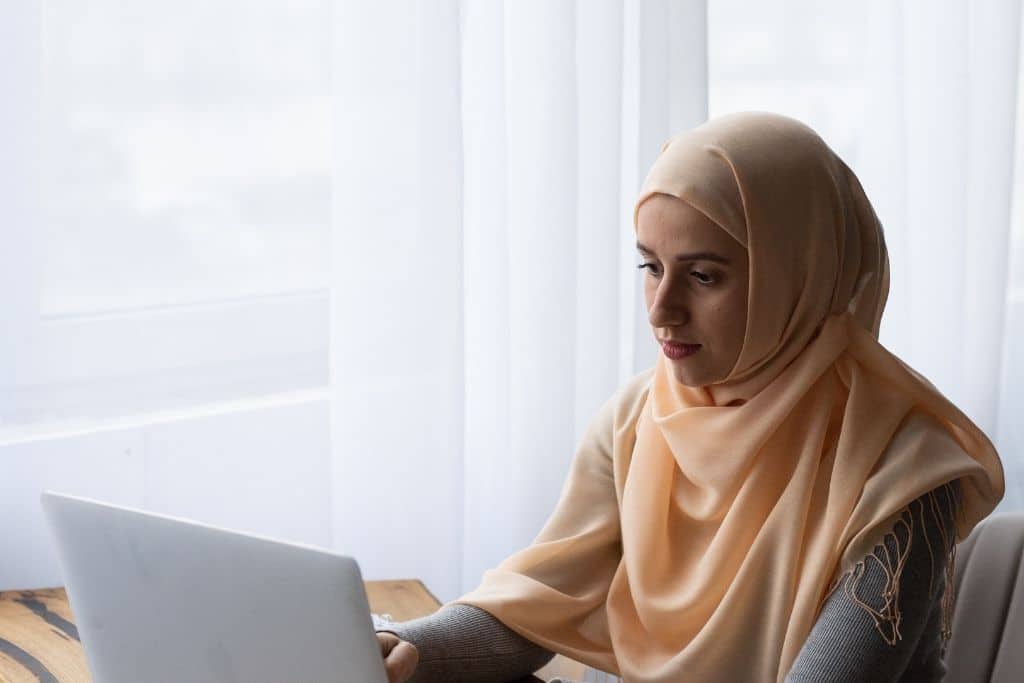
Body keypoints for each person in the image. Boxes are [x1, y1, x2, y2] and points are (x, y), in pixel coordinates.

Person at [374, 111, 1004, 682]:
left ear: (800, 276)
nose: (661, 309)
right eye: (650, 266)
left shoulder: (903, 471)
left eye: (704, 276)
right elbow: (535, 605)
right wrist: (395, 645)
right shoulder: (638, 419)